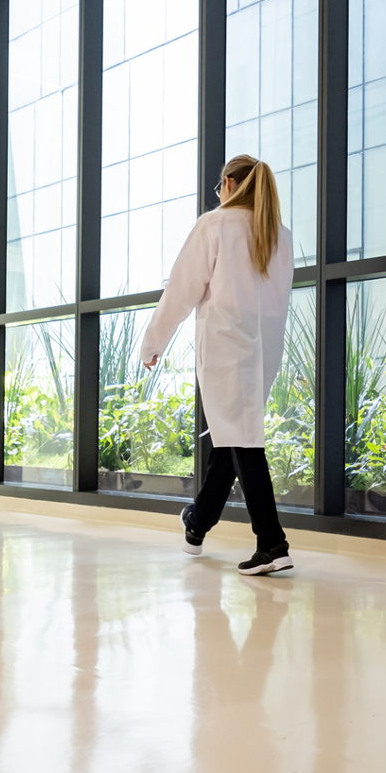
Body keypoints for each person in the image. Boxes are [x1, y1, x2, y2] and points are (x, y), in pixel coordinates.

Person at [140, 155, 297, 576]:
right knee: (233, 437)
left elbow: (181, 290)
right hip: (264, 351)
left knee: (242, 441)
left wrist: (152, 343)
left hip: (228, 349)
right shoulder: (279, 235)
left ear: (229, 184)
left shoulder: (215, 225)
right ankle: (198, 522)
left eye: (219, 187)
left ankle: (272, 542)